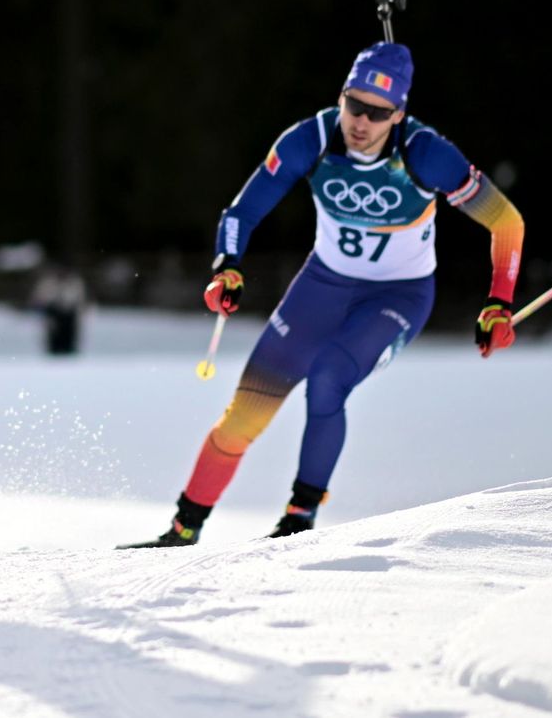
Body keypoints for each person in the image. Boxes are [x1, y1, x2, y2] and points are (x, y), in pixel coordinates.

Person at [121, 41, 522, 547]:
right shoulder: (308, 140)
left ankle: (298, 519)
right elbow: (241, 213)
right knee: (245, 412)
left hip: (397, 298)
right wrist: (228, 268)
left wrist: (498, 302)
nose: (361, 123)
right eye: (355, 105)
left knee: (329, 377)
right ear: (342, 97)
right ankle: (183, 528)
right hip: (322, 287)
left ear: (399, 114)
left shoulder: (426, 155)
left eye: (378, 114)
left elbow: (506, 221)